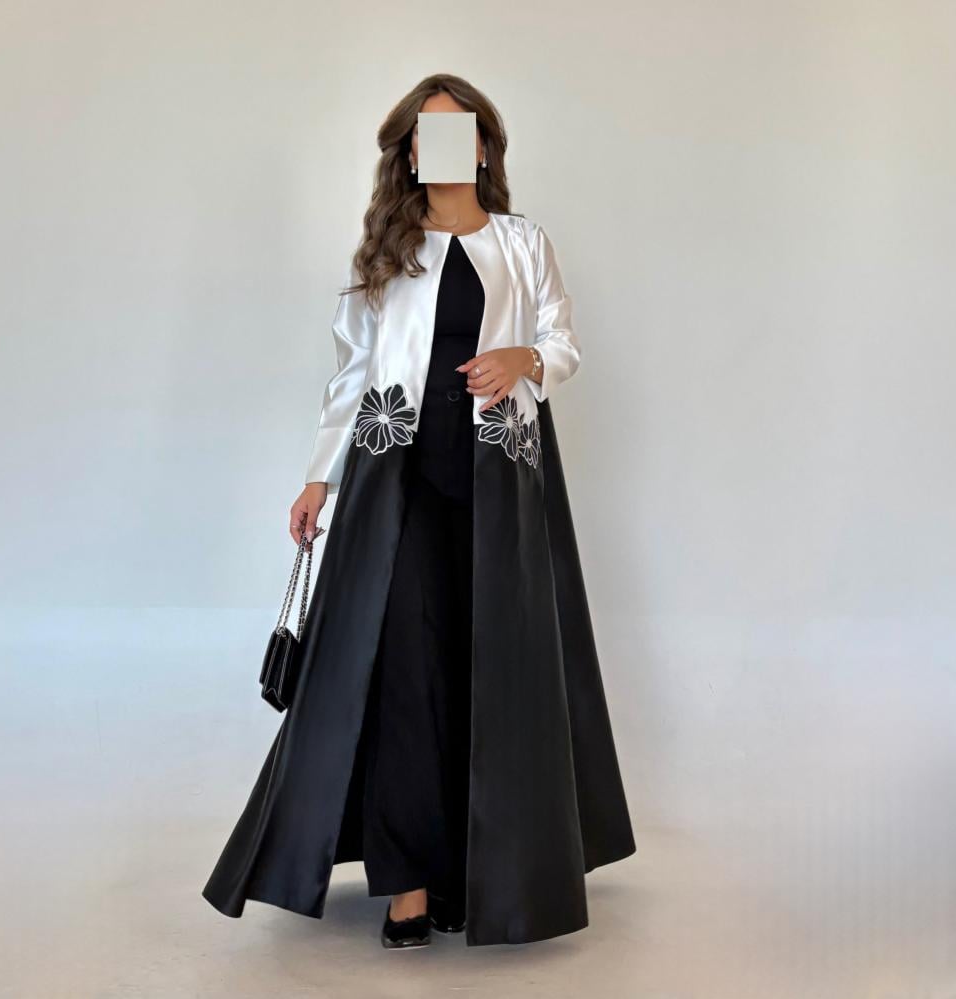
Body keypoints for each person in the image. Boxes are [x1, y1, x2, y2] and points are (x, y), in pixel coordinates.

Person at [202, 73, 637, 949]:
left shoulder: (522, 243)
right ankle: (406, 884)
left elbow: (562, 342)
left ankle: (484, 869)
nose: (440, 148)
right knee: (401, 675)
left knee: (490, 673)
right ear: (408, 155)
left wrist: (521, 359)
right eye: (422, 136)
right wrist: (318, 478)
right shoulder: (385, 254)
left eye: (458, 131)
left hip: (498, 484)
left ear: (481, 147)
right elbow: (350, 373)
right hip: (396, 481)